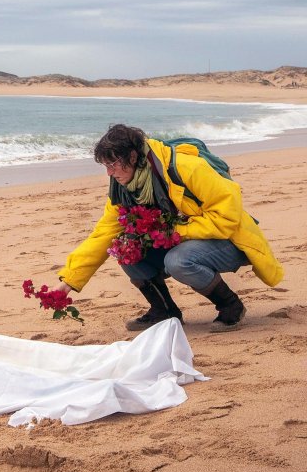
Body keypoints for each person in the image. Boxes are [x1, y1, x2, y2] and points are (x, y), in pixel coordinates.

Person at [52, 124, 283, 331]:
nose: (109, 172)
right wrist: (68, 283)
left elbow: (227, 217)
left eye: (112, 164)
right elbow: (103, 234)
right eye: (105, 165)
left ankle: (231, 306)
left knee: (178, 260)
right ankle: (164, 312)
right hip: (182, 241)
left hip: (230, 241)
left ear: (132, 156)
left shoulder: (185, 167)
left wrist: (174, 233)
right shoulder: (123, 188)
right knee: (125, 250)